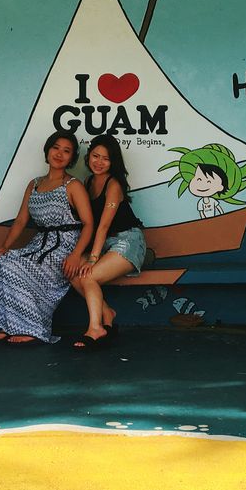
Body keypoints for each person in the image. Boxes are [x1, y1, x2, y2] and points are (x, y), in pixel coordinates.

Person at [0, 130, 93, 344]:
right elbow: (21, 220)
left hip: (64, 247)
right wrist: (5, 246)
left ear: (72, 158)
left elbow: (88, 223)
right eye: (56, 148)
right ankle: (5, 325)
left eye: (66, 151)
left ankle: (31, 328)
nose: (59, 154)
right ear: (48, 151)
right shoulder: (34, 184)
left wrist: (76, 255)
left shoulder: (73, 185)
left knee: (14, 268)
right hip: (39, 245)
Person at [70, 134, 146, 348]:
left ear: (113, 162)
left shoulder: (114, 185)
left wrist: (92, 259)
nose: (99, 162)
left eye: (106, 159)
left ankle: (95, 328)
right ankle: (107, 313)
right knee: (74, 273)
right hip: (104, 243)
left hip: (128, 240)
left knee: (88, 276)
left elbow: (103, 226)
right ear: (88, 156)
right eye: (96, 156)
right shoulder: (88, 182)